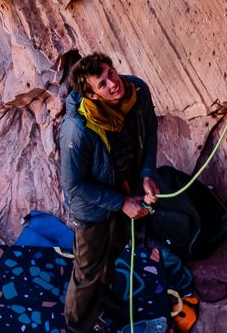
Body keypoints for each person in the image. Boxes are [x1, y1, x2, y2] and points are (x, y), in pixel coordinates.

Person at [60, 53, 159, 333]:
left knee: (115, 246)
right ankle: (78, 323)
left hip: (127, 188)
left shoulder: (137, 91)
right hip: (92, 207)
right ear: (90, 95)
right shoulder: (78, 130)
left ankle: (102, 293)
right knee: (87, 269)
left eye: (111, 73)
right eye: (102, 84)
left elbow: (150, 131)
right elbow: (73, 184)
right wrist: (121, 202)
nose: (114, 84)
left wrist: (147, 174)